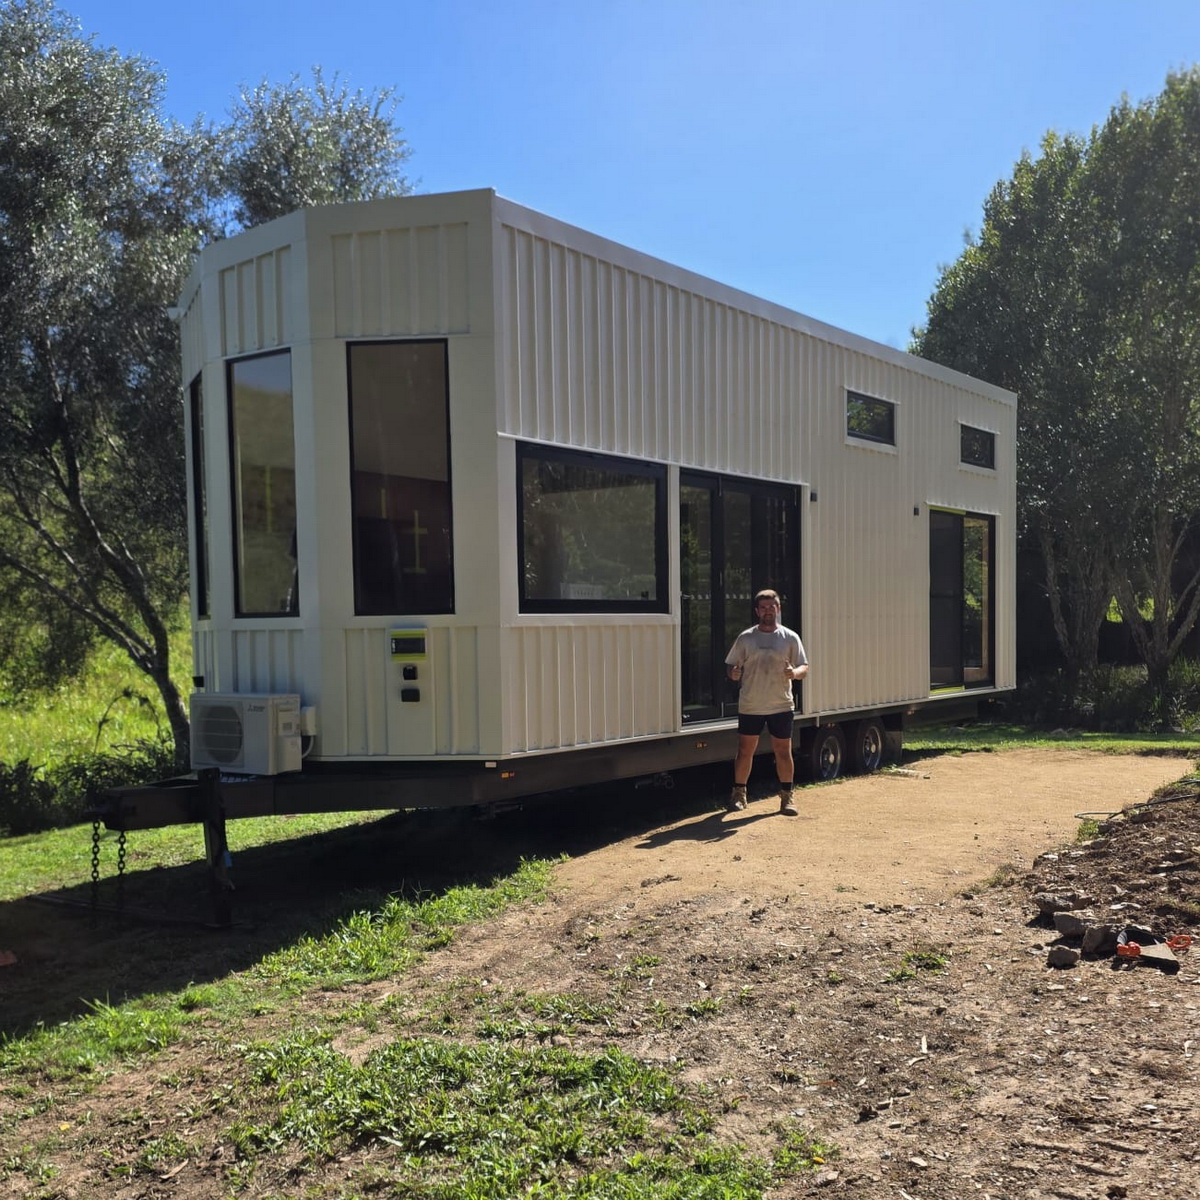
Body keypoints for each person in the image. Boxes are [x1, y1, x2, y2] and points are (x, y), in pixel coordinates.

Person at [724, 589, 808, 816]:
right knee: (744, 751)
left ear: (778, 609)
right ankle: (739, 794)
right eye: (763, 607)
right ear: (757, 611)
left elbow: (804, 666)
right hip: (751, 704)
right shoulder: (746, 638)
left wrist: (795, 673)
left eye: (772, 607)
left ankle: (787, 797)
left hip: (780, 704)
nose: (768, 611)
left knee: (783, 751)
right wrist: (733, 673)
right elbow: (732, 666)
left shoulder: (790, 637)